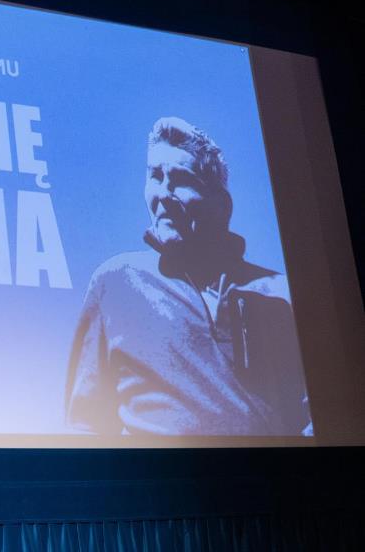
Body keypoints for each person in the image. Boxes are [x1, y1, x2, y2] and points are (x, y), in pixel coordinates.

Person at [64, 117, 311, 436]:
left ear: (221, 205)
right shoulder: (116, 281)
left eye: (181, 179)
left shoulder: (281, 292)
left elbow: (321, 411)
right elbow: (85, 425)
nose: (164, 193)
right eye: (155, 176)